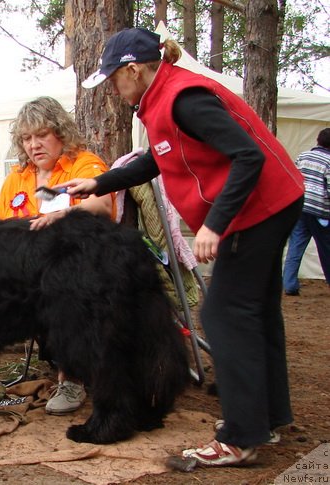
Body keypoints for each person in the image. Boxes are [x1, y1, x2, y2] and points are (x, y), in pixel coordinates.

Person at [58, 28, 304, 466]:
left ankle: (240, 435)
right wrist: (98, 182)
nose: (113, 89)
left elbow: (249, 156)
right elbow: (158, 157)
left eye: (114, 79)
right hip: (273, 201)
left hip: (259, 208)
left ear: (134, 69)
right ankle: (266, 417)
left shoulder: (184, 98)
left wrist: (215, 224)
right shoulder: (160, 99)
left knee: (224, 314)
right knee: (255, 310)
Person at [0, 96, 115, 416]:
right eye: (26, 138)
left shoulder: (83, 164)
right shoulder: (19, 177)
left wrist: (60, 214)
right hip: (21, 267)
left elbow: (102, 205)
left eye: (42, 135)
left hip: (74, 263)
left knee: (62, 292)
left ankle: (72, 379)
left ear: (60, 134)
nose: (34, 145)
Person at [282, 128, 330, 295]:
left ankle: (289, 285)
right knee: (326, 249)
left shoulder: (303, 156)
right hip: (320, 211)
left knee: (295, 246)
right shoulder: (329, 161)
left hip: (300, 207)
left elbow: (293, 178)